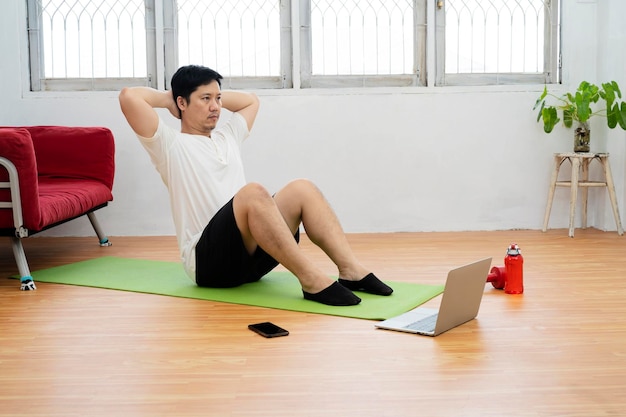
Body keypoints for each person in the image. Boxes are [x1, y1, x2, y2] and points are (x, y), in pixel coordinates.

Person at [118, 65, 392, 306]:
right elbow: (129, 96)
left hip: (252, 260)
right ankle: (310, 279)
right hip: (209, 265)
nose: (215, 107)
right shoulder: (169, 145)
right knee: (253, 193)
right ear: (182, 102)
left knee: (302, 188)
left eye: (218, 98)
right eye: (205, 99)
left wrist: (209, 97)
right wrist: (170, 100)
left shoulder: (228, 137)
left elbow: (251, 101)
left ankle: (351, 270)